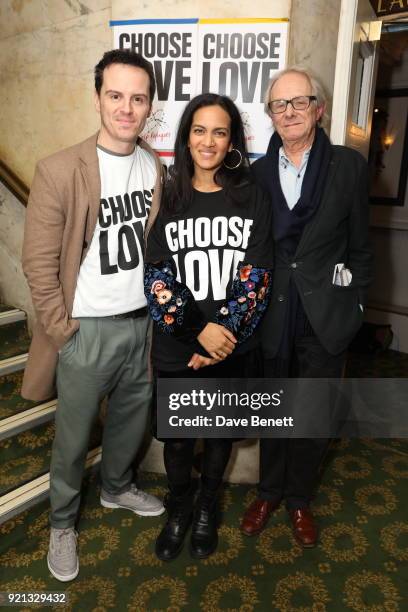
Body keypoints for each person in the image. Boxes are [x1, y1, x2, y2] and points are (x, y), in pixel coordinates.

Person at [21, 49, 165, 582]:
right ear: (98, 97)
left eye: (138, 97)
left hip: (140, 324)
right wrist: (63, 331)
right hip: (85, 331)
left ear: (149, 105)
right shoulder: (60, 169)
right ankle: (62, 522)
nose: (126, 108)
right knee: (74, 436)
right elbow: (37, 261)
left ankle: (116, 488)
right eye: (116, 95)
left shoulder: (156, 167)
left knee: (131, 421)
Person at [240, 67, 373, 546]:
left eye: (300, 102)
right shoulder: (254, 175)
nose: (290, 112)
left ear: (318, 109)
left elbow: (361, 246)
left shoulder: (348, 166)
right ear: (270, 114)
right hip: (273, 313)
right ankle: (268, 492)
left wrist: (355, 308)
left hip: (326, 315)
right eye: (280, 104)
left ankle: (298, 499)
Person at [144, 93, 273, 561]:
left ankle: (205, 508)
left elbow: (258, 275)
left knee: (217, 435)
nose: (209, 141)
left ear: (232, 140)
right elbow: (157, 275)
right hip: (179, 342)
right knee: (179, 439)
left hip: (231, 343)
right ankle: (179, 507)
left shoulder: (251, 196)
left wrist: (222, 336)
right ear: (186, 137)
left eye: (220, 131)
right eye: (200, 130)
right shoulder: (171, 193)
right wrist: (198, 331)